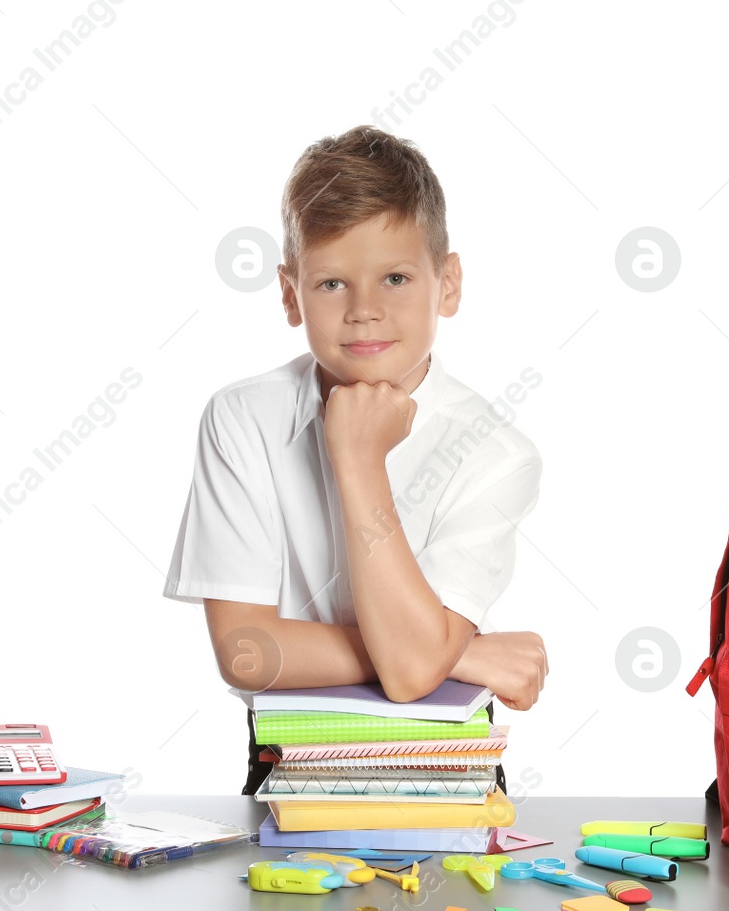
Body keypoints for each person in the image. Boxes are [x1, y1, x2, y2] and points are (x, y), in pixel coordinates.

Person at [163, 124, 549, 794]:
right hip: (293, 770)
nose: (365, 312)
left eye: (395, 277)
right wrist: (461, 653)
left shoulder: (496, 452)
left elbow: (409, 677)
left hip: (446, 772)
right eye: (333, 283)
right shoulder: (242, 419)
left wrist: (358, 458)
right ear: (290, 294)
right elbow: (246, 652)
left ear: (448, 284)